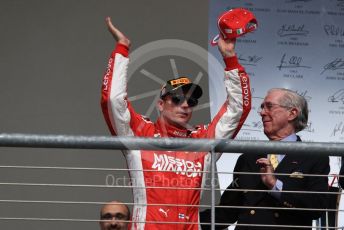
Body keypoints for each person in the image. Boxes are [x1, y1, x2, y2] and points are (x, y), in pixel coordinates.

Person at [100, 16, 251, 230]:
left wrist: (230, 58)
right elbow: (112, 100)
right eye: (177, 99)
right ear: (160, 104)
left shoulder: (203, 140)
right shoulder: (139, 132)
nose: (185, 105)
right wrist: (122, 49)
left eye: (191, 100)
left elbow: (239, 109)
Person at [200, 88, 330, 230]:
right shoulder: (248, 158)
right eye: (262, 107)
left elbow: (316, 208)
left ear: (292, 113)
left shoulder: (314, 157)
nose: (262, 112)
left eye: (269, 106)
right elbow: (226, 212)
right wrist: (184, 219)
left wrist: (274, 185)